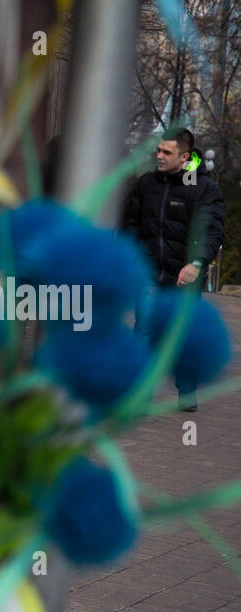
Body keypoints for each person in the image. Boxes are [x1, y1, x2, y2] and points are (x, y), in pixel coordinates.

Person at [123, 128, 225, 411]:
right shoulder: (146, 185)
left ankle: (187, 390)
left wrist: (196, 264)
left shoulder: (205, 189)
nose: (159, 156)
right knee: (144, 330)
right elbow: (131, 225)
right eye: (158, 150)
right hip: (148, 273)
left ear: (185, 156)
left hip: (185, 277)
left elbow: (213, 231)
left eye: (166, 152)